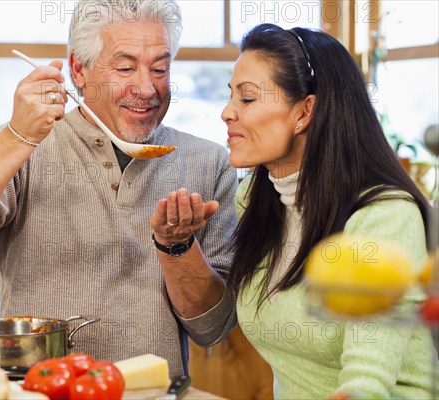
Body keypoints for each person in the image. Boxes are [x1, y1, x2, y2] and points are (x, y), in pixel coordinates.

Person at [0, 0, 238, 377]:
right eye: (125, 67)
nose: (146, 88)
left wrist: (178, 248)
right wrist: (16, 137)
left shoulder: (209, 163)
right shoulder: (24, 145)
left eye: (160, 68)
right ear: (79, 69)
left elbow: (212, 329)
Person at [150, 23, 437, 398]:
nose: (226, 112)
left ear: (305, 112)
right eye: (230, 96)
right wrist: (179, 243)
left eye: (247, 98)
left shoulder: (383, 216)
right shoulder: (255, 197)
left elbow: (366, 386)